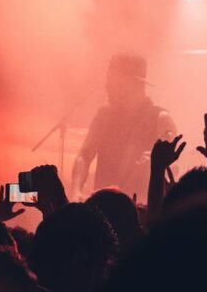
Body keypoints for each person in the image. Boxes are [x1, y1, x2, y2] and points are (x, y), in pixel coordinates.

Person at [71, 54, 175, 200]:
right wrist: (76, 192)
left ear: (131, 83)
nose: (106, 86)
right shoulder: (104, 116)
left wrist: (155, 165)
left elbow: (172, 170)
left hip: (142, 213)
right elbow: (84, 155)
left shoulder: (160, 119)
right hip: (103, 210)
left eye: (112, 80)